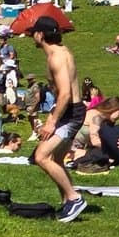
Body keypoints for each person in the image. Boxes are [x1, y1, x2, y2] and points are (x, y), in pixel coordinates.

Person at [27, 15, 87, 222]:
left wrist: (52, 121)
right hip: (69, 110)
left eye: (33, 33)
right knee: (56, 159)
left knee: (41, 157)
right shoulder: (61, 51)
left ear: (40, 34)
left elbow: (65, 94)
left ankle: (74, 198)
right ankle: (67, 203)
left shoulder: (56, 57)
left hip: (70, 113)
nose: (31, 37)